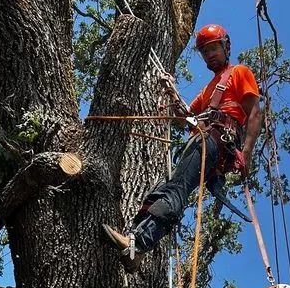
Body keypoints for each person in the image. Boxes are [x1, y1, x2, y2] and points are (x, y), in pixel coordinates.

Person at [103, 23, 262, 271]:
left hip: (216, 138)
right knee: (163, 189)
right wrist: (171, 91)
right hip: (202, 138)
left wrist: (247, 153)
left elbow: (255, 113)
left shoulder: (239, 72)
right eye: (205, 51)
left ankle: (139, 243)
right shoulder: (208, 90)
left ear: (226, 47)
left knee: (176, 188)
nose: (210, 54)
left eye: (214, 48)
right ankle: (135, 244)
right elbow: (185, 117)